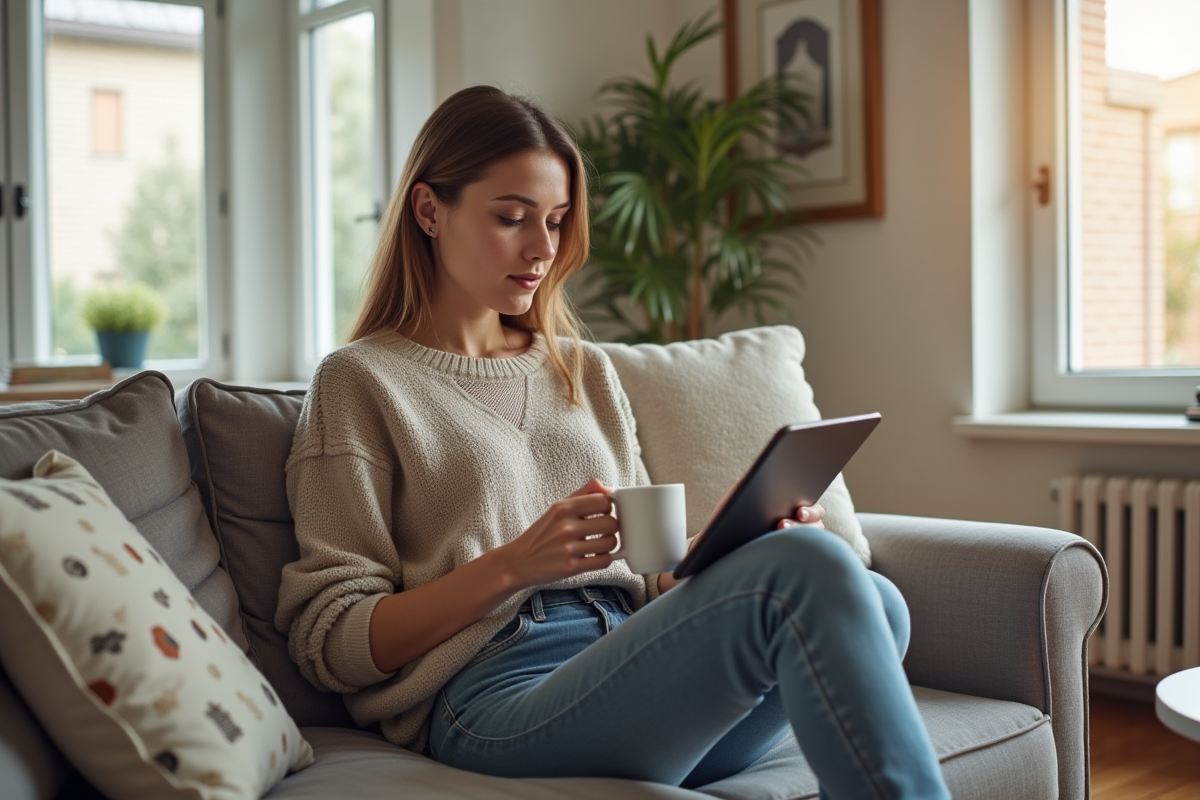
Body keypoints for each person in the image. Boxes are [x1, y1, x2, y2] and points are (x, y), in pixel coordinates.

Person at [276, 85, 950, 800]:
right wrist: (513, 566)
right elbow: (332, 643)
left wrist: (727, 547)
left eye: (556, 221)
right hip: (498, 699)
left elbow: (646, 576)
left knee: (877, 601)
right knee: (814, 574)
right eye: (511, 218)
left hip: (631, 667)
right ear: (428, 211)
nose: (544, 248)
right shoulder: (360, 381)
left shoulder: (583, 369)